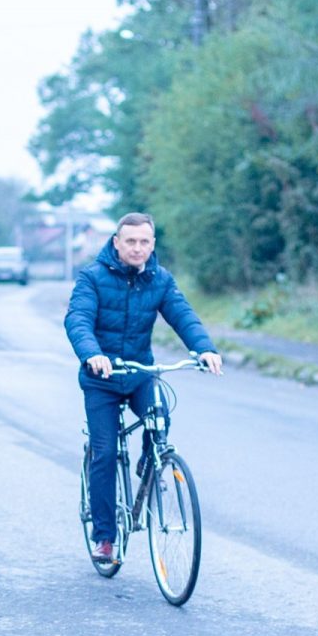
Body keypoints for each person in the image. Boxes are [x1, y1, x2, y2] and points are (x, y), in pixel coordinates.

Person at [64, 212, 223, 566]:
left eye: (144, 242)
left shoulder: (160, 280)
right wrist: (93, 355)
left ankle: (150, 464)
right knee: (104, 453)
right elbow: (78, 319)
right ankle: (104, 537)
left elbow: (183, 315)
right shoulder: (92, 277)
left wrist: (205, 348)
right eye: (131, 241)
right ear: (117, 242)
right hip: (101, 379)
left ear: (152, 245)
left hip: (139, 373)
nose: (138, 248)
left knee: (160, 415)